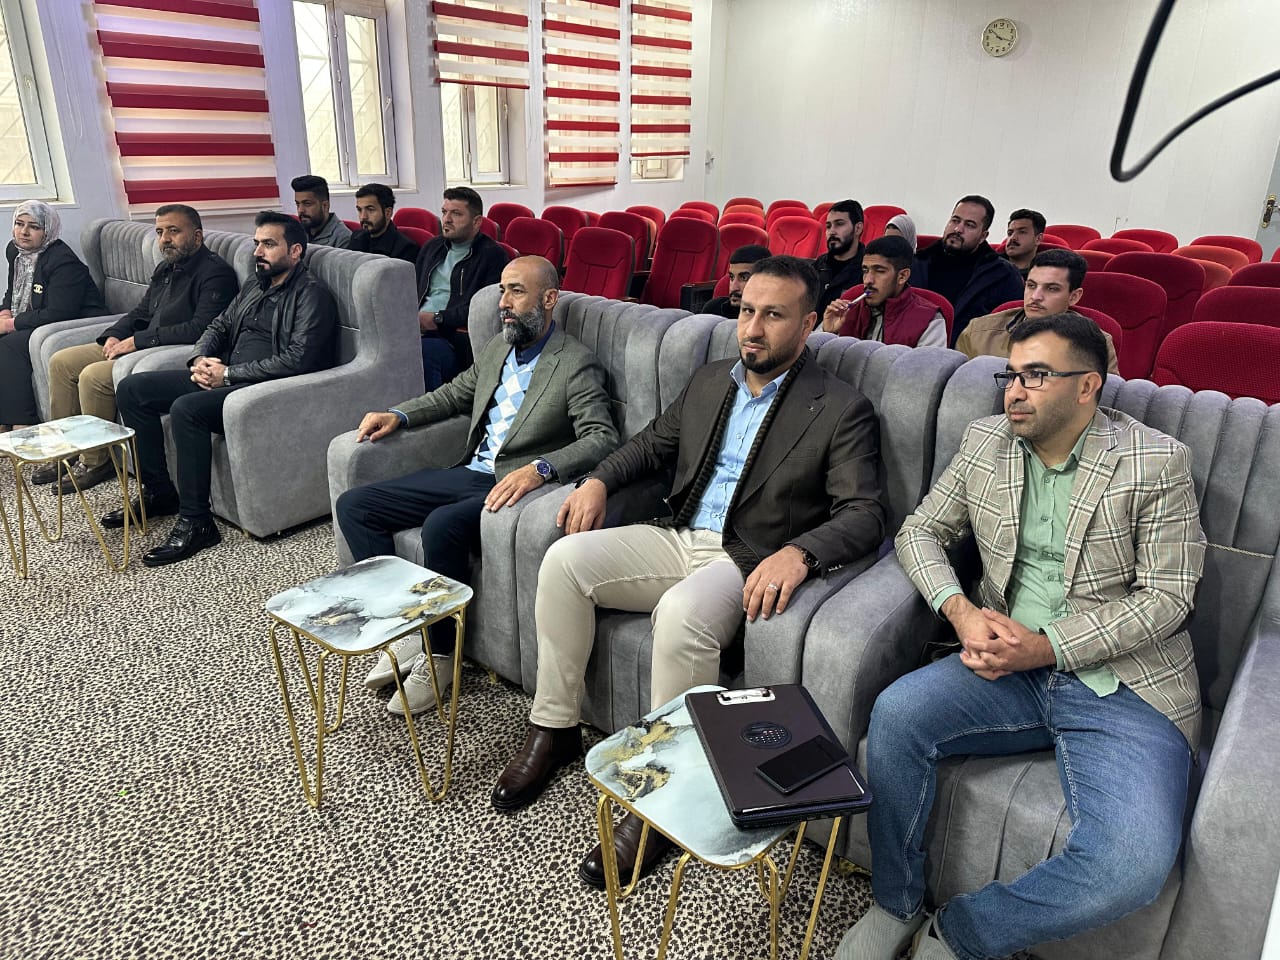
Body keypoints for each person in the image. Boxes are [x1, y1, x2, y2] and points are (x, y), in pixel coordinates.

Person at [491, 256, 886, 892]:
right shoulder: (710, 381)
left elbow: (865, 512)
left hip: (747, 556)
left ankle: (664, 797)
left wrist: (801, 553)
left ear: (809, 323)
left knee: (681, 615)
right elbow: (651, 444)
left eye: (773, 315)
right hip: (678, 534)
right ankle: (554, 726)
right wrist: (598, 479)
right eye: (747, 311)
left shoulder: (840, 407)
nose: (752, 328)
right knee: (564, 560)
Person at [837, 312, 1204, 960]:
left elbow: (1169, 598)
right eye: (1010, 375)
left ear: (1087, 386)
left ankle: (961, 933)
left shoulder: (1154, 461)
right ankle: (895, 902)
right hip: (1005, 665)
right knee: (896, 715)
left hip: (1124, 686)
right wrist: (959, 612)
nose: (1014, 391)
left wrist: (1049, 646)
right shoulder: (986, 442)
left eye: (1036, 376)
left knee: (1130, 864)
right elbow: (920, 532)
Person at [335, 256, 618, 715]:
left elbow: (601, 436)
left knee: (442, 525)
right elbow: (454, 394)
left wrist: (541, 468)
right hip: (469, 472)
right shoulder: (496, 349)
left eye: (516, 292)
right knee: (356, 506)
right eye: (503, 291)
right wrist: (399, 414)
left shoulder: (575, 363)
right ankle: (410, 627)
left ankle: (441, 654)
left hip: (514, 484)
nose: (504, 303)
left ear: (549, 299)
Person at [110, 211, 338, 566]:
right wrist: (200, 358)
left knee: (187, 409)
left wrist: (229, 374)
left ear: (295, 251)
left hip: (262, 389)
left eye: (269, 244)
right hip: (225, 376)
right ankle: (159, 491)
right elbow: (218, 325)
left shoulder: (312, 295)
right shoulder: (255, 284)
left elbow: (298, 359)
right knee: (133, 389)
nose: (258, 252)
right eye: (257, 243)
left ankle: (197, 522)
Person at [40, 204, 238, 491]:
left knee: (93, 376)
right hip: (140, 341)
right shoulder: (166, 268)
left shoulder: (215, 273)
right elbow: (141, 311)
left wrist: (137, 341)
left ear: (197, 236)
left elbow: (200, 328)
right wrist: (114, 334)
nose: (165, 239)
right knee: (62, 361)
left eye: (173, 231)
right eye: (160, 232)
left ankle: (96, 461)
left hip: (162, 348)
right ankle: (66, 450)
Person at [0, 201, 105, 430]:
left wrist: (9, 325)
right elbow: (13, 289)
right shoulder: (15, 251)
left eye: (34, 227)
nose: (24, 232)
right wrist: (5, 312)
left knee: (10, 344)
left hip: (73, 324)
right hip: (38, 319)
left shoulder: (63, 262)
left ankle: (22, 424)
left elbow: (59, 312)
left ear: (48, 230)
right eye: (19, 224)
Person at [957, 248, 1118, 373]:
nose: (1035, 296)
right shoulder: (977, 333)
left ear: (1074, 297)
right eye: (1031, 285)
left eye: (1052, 288)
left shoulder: (1096, 344)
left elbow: (1103, 400)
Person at [415, 186, 510, 390]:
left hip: (453, 338)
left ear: (476, 222)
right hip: (416, 328)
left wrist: (438, 319)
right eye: (444, 212)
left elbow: (485, 310)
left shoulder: (492, 256)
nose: (447, 219)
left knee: (422, 354)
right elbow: (412, 291)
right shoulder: (432, 248)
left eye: (456, 214)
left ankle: (432, 409)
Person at [912, 195, 1025, 346]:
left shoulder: (1004, 275)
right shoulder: (916, 263)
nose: (958, 229)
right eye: (955, 220)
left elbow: (1009, 332)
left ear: (983, 236)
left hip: (967, 354)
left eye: (970, 225)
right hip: (908, 349)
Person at [821, 235, 947, 347]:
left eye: (880, 271)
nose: (868, 280)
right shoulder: (847, 311)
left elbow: (928, 366)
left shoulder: (930, 320)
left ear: (902, 276)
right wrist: (828, 335)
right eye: (865, 271)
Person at [814, 200, 866, 318]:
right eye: (828, 226)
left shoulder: (867, 270)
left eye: (839, 224)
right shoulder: (818, 265)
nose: (832, 231)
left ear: (858, 228)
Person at [345, 183, 419, 264]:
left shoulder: (406, 249)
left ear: (388, 213)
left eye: (370, 210)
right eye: (359, 210)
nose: (363, 217)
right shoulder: (357, 236)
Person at [702, 243, 770, 318]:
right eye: (731, 277)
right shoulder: (713, 309)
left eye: (744, 278)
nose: (733, 288)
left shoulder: (772, 318)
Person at [292, 174, 351, 248]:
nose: (300, 210)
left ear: (325, 206)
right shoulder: (296, 231)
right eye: (297, 204)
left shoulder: (342, 238)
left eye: (307, 204)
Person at [1001, 208, 1045, 278]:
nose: (1012, 237)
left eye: (1022, 232)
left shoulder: (1048, 272)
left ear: (1038, 239)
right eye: (1010, 233)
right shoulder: (989, 265)